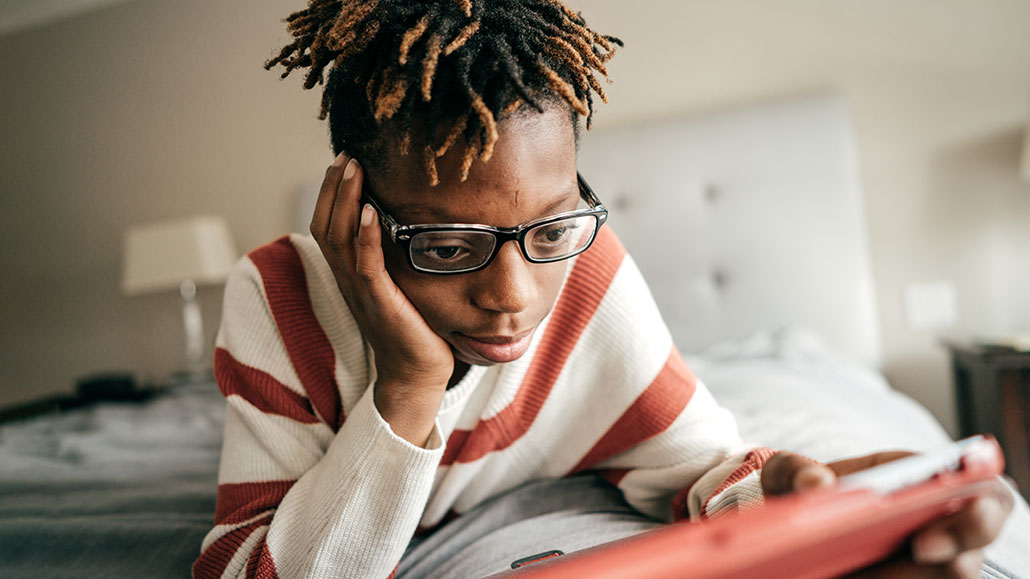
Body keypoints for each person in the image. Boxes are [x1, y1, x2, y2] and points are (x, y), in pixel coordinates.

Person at [193, 1, 1012, 577]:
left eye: (550, 229)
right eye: (448, 245)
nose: (513, 295)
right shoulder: (276, 296)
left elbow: (693, 465)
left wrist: (792, 500)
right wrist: (410, 384)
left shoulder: (588, 266)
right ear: (354, 216)